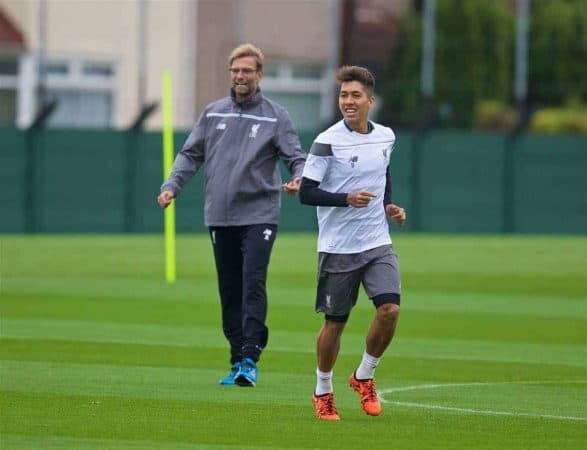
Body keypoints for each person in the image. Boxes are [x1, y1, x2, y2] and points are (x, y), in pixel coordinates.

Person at [157, 43, 306, 387]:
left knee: (252, 283)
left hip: (259, 215)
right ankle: (236, 359)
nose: (240, 76)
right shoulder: (213, 113)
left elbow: (296, 157)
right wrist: (171, 186)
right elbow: (190, 154)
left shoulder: (275, 115)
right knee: (229, 290)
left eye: (247, 71)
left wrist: (299, 178)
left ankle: (251, 357)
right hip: (220, 217)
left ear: (259, 75)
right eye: (235, 71)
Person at [299, 66, 406, 420]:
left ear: (369, 101)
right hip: (337, 248)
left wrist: (388, 204)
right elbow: (308, 193)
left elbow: (382, 172)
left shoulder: (386, 136)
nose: (348, 101)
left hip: (377, 242)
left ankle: (364, 376)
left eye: (355, 95)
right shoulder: (327, 141)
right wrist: (346, 198)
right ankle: (323, 389)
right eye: (344, 95)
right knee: (335, 324)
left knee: (389, 310)